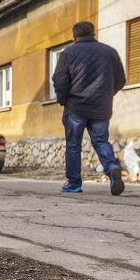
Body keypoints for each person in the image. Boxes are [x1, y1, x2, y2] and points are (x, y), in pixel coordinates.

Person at [51, 21, 127, 195]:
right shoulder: (110, 52)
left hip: (76, 107)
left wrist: (63, 100)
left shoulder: (68, 52)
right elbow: (121, 79)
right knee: (100, 141)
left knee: (73, 145)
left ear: (74, 36)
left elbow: (60, 80)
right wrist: (106, 95)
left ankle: (74, 183)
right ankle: (111, 167)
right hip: (101, 107)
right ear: (94, 33)